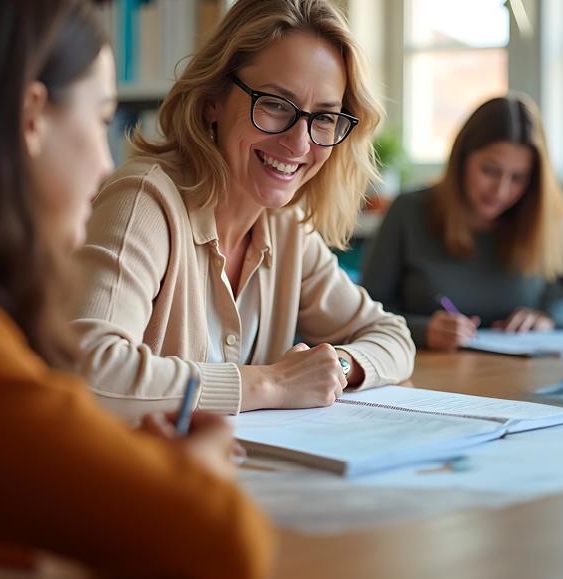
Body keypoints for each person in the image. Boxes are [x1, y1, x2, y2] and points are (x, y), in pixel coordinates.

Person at [0, 1, 274, 579]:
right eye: (101, 119)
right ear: (31, 118)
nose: (106, 165)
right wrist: (194, 474)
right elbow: (223, 542)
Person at [73, 0, 415, 419]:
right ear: (212, 101)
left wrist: (336, 367)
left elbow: (392, 336)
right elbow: (87, 370)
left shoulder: (286, 228)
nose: (300, 143)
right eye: (275, 104)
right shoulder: (144, 201)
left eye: (324, 117)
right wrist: (277, 383)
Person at [362, 94, 563, 352]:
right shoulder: (409, 211)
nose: (501, 190)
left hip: (516, 373)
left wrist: (551, 317)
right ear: (462, 158)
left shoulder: (541, 220)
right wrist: (421, 330)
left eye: (518, 177)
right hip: (427, 369)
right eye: (490, 170)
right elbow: (365, 310)